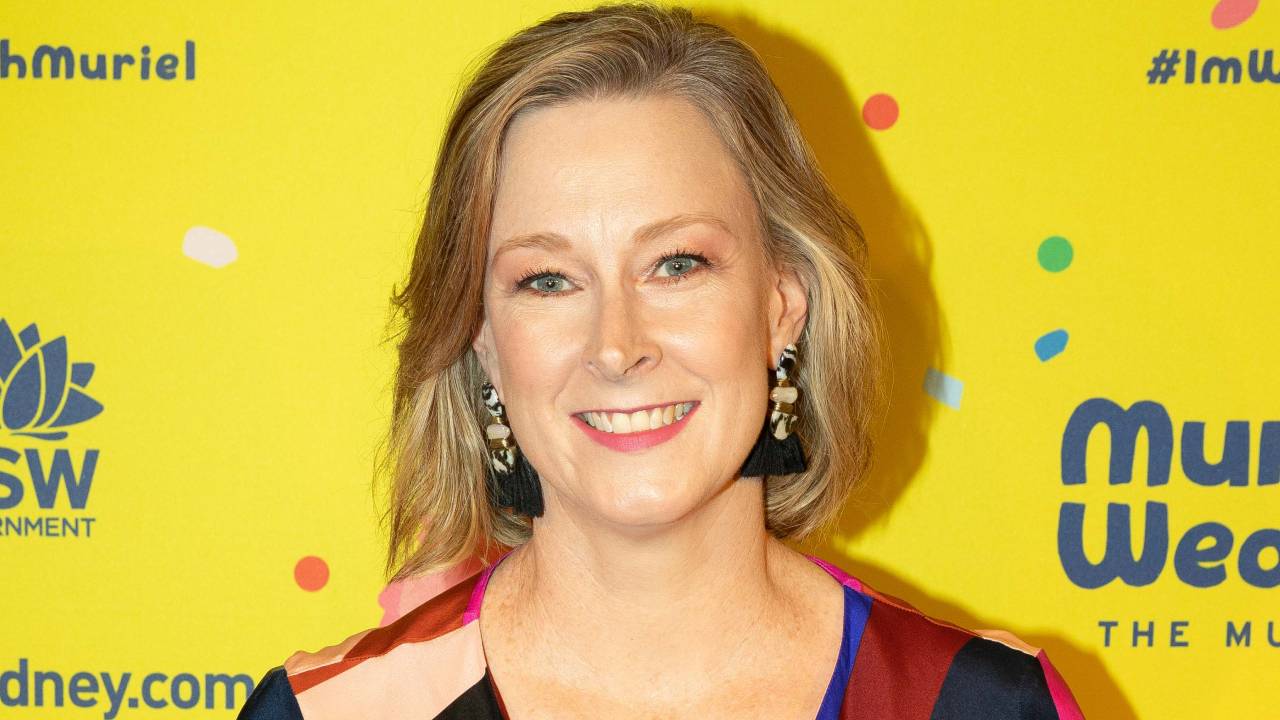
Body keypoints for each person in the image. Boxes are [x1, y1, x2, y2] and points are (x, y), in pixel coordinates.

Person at [239, 3, 1085, 718]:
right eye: (547, 280)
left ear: (781, 306)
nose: (617, 346)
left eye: (677, 265)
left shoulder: (979, 704)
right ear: (480, 338)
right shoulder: (332, 712)